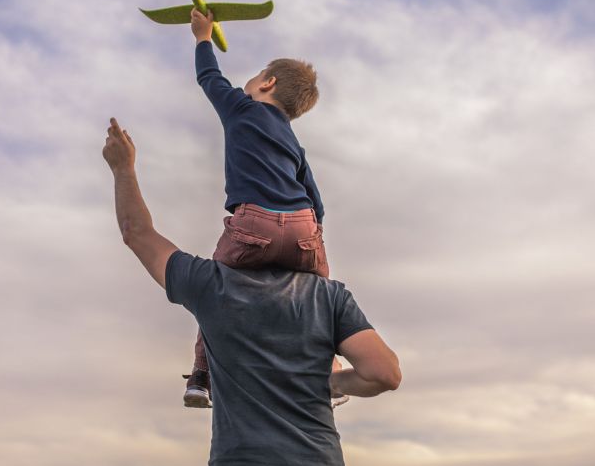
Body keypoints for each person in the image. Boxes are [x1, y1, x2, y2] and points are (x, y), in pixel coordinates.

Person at [102, 117, 402, 466]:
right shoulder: (328, 297)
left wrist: (123, 168)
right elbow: (384, 373)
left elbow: (136, 232)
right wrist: (333, 383)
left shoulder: (209, 285)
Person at [185, 7, 331, 407]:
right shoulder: (293, 142)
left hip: (254, 225)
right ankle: (329, 372)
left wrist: (202, 37)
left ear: (267, 83)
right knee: (321, 295)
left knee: (213, 288)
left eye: (252, 77)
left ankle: (201, 376)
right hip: (303, 228)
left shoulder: (241, 107)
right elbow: (315, 198)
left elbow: (209, 78)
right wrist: (310, 239)